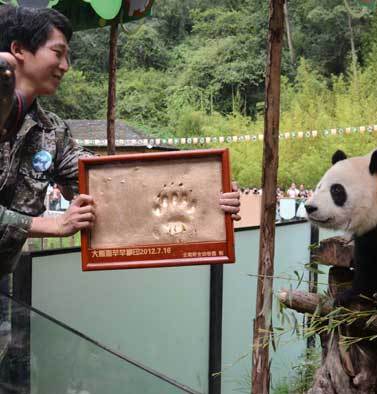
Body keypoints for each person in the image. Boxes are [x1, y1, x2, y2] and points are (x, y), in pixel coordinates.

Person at [0, 6, 240, 276]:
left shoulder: (51, 131)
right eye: (58, 53)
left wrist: (208, 187)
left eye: (67, 56)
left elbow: (111, 177)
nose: (65, 66)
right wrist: (51, 225)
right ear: (18, 50)